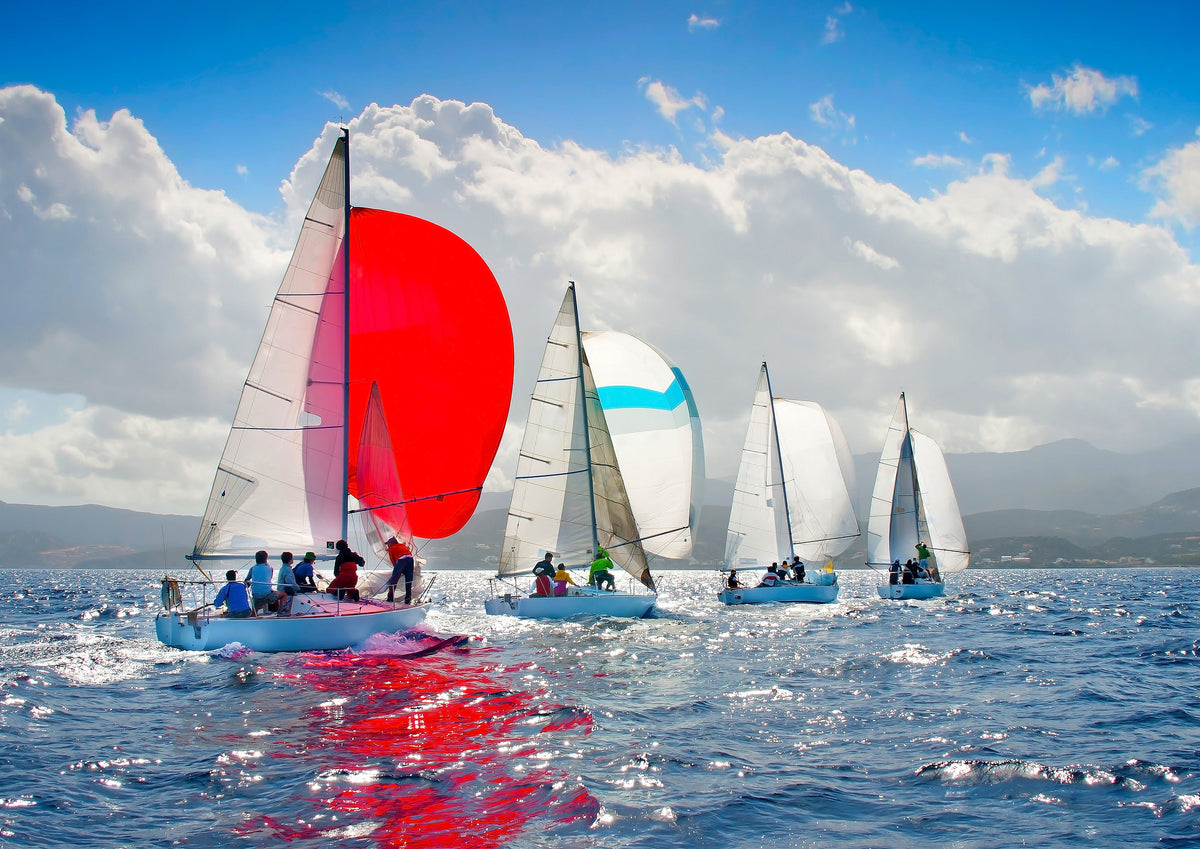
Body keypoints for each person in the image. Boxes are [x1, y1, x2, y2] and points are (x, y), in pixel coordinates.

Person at [385, 536, 415, 604]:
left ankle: (390, 598)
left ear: (391, 543)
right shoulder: (402, 545)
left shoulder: (391, 548)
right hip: (410, 559)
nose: (387, 545)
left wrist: (397, 570)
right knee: (408, 580)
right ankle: (408, 598)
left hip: (401, 560)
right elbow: (407, 553)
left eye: (388, 544)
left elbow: (393, 561)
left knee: (394, 579)